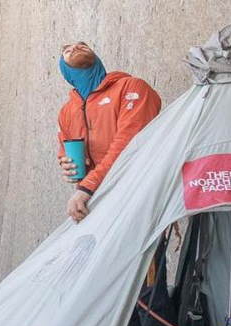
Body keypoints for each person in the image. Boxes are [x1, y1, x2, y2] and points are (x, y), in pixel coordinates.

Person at [56, 42, 161, 222]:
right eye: (67, 50)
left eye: (82, 44)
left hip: (139, 193)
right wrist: (66, 164)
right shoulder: (67, 112)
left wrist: (87, 188)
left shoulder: (131, 88)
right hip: (97, 204)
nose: (75, 47)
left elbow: (129, 146)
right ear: (64, 70)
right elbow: (64, 151)